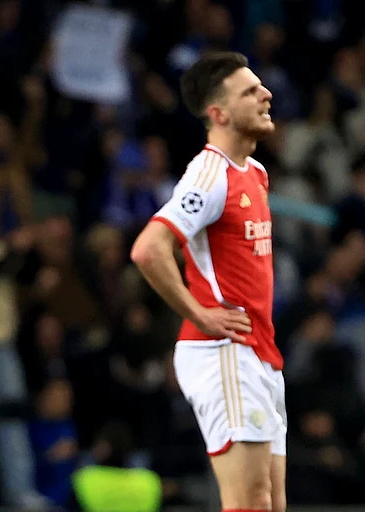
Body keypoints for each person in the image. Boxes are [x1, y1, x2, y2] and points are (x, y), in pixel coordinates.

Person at [130, 52, 286, 512]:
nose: (266, 94)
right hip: (224, 352)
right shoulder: (209, 174)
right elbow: (149, 248)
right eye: (250, 92)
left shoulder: (255, 173)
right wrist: (199, 314)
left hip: (259, 352)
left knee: (272, 502)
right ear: (218, 114)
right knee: (249, 502)